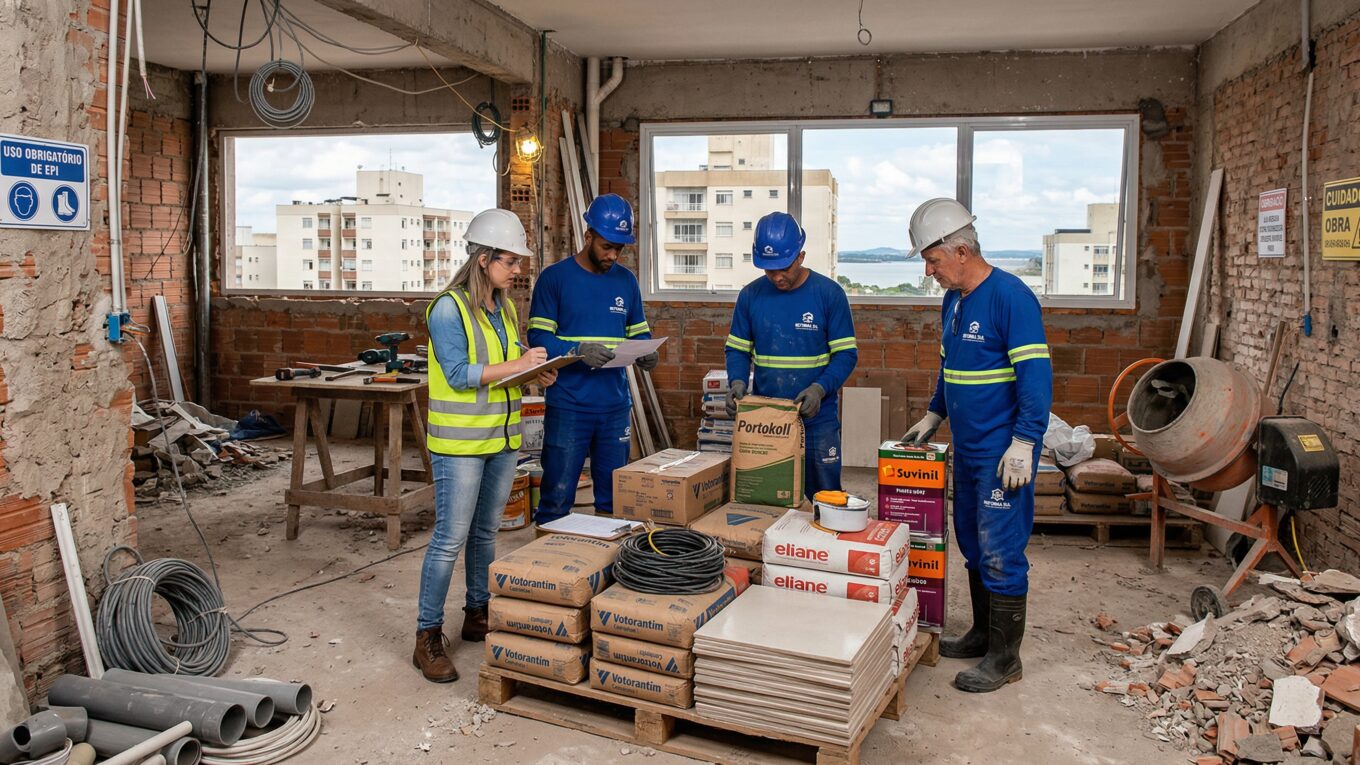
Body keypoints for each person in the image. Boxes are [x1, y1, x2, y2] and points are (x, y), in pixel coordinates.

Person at [901, 197, 1053, 694]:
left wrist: (1025, 442)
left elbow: (1036, 375)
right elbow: (951, 368)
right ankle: (985, 635)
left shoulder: (1011, 297)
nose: (929, 271)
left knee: (1001, 551)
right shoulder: (954, 300)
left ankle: (1006, 659)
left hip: (1000, 452)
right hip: (966, 451)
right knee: (971, 542)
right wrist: (933, 413)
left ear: (961, 250)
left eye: (933, 260)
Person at [414, 208, 558, 684]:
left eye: (518, 263)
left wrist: (537, 369)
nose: (517, 271)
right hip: (459, 445)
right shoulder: (446, 309)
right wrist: (520, 366)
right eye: (510, 262)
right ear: (482, 259)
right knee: (449, 539)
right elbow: (458, 374)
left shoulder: (504, 308)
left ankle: (477, 612)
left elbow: (506, 365)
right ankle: (427, 636)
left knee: (484, 535)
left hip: (501, 438)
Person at [527, 194, 657, 523]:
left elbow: (638, 332)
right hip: (570, 404)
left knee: (613, 499)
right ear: (588, 237)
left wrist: (646, 351)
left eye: (619, 248)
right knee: (557, 496)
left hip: (614, 406)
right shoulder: (555, 279)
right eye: (606, 246)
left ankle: (602, 567)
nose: (613, 255)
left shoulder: (626, 281)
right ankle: (549, 568)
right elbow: (538, 338)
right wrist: (576, 351)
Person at [724, 212, 858, 499]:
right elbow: (737, 348)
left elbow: (846, 355)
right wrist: (736, 382)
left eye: (783, 267)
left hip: (817, 418)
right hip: (768, 418)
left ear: (801, 256)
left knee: (826, 497)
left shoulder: (829, 295)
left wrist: (819, 389)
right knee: (770, 496)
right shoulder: (750, 296)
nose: (777, 277)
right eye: (769, 269)